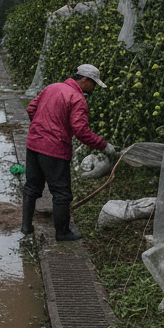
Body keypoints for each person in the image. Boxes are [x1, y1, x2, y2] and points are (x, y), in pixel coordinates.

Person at [23, 64, 118, 241]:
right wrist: (104, 146)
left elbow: (30, 109)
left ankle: (26, 226)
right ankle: (62, 233)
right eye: (93, 84)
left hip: (33, 144)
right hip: (54, 149)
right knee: (61, 192)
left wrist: (40, 128)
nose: (93, 89)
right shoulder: (77, 99)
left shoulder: (51, 87)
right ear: (85, 80)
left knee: (32, 187)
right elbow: (81, 131)